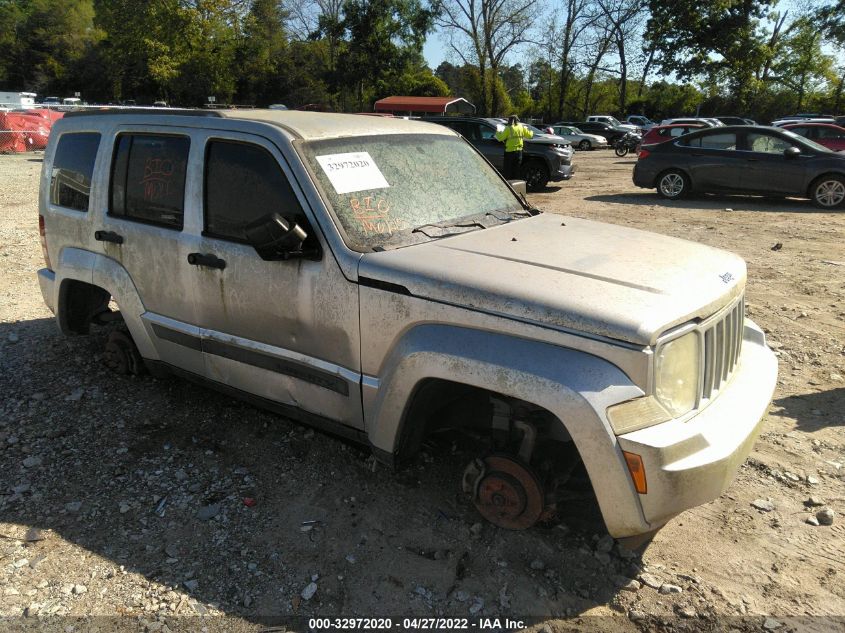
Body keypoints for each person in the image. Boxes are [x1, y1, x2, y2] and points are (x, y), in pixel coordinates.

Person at [494, 115, 533, 179]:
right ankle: (516, 185)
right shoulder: (521, 127)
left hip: (509, 152)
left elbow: (500, 138)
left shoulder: (508, 128)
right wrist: (530, 130)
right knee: (517, 170)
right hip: (519, 152)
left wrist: (497, 132)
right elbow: (530, 135)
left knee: (508, 171)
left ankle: (508, 185)